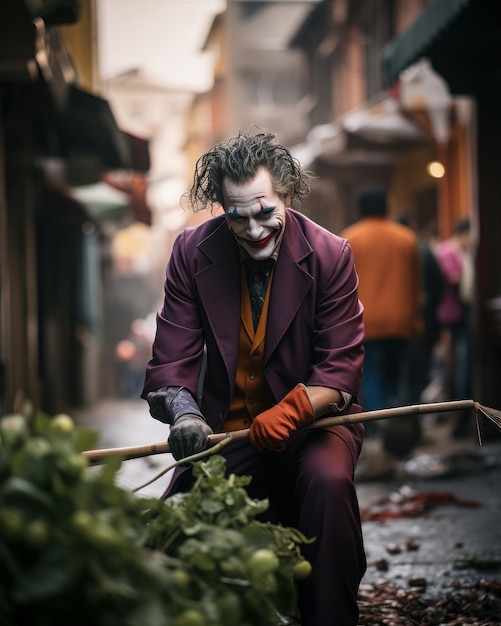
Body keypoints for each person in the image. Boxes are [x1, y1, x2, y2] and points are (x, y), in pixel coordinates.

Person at [142, 130, 367, 626]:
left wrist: (291, 411)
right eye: (236, 215)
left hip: (316, 425)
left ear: (286, 194)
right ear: (221, 207)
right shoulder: (190, 252)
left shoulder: (332, 254)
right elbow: (171, 358)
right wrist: (183, 412)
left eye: (265, 212)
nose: (253, 229)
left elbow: (340, 367)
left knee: (328, 485)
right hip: (229, 430)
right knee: (173, 529)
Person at [341, 187, 422, 459]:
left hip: (364, 323)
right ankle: (402, 431)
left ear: (360, 209)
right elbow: (415, 285)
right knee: (396, 378)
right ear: (386, 206)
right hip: (400, 321)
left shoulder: (349, 238)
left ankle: (377, 431)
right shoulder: (407, 238)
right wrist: (415, 320)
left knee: (371, 376)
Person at [435, 217, 473, 438]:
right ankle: (457, 415)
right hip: (453, 314)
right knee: (458, 363)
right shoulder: (449, 252)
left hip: (456, 313)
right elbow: (454, 278)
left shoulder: (453, 252)